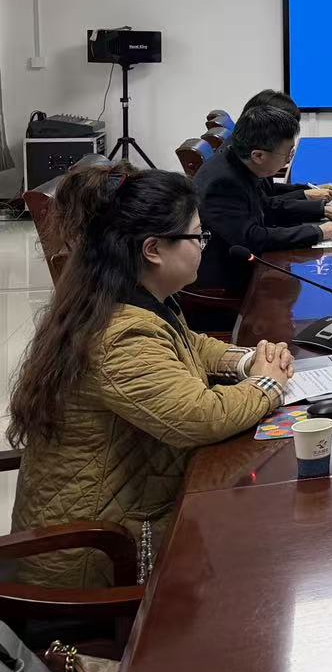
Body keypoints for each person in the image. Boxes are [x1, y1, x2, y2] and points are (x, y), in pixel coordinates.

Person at [8, 166, 292, 587]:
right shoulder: (119, 334)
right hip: (97, 556)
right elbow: (199, 418)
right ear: (154, 249)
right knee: (271, 548)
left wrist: (250, 361)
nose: (203, 246)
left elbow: (191, 345)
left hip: (126, 514)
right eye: (197, 236)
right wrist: (268, 385)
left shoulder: (124, 295)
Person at [193, 105, 332, 292]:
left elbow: (266, 205)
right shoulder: (224, 183)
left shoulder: (239, 163)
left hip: (248, 259)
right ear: (258, 155)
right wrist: (318, 232)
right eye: (288, 154)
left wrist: (321, 210)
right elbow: (252, 238)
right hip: (230, 278)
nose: (288, 160)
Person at [236, 89, 332, 204]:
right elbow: (265, 205)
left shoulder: (250, 147)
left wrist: (310, 189)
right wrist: (307, 197)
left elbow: (269, 190)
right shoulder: (238, 169)